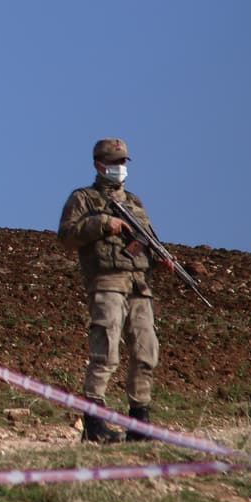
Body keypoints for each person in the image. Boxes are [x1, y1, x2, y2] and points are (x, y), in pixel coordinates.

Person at [58, 138, 170, 443]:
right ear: (98, 164)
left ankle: (140, 421)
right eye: (114, 162)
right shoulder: (84, 199)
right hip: (107, 283)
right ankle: (94, 422)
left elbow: (149, 240)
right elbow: (67, 235)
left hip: (139, 286)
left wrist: (162, 258)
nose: (119, 168)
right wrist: (104, 223)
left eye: (122, 163)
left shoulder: (134, 202)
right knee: (106, 352)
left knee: (146, 352)